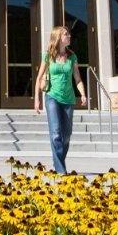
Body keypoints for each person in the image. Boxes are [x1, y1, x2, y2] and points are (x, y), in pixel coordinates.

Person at [34, 26, 87, 174]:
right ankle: (60, 169)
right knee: (56, 132)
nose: (69, 36)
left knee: (67, 135)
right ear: (58, 38)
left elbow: (77, 78)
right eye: (66, 34)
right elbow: (39, 78)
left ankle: (58, 161)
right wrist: (37, 98)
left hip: (69, 99)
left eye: (69, 34)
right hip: (52, 97)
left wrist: (82, 94)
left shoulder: (72, 56)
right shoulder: (48, 56)